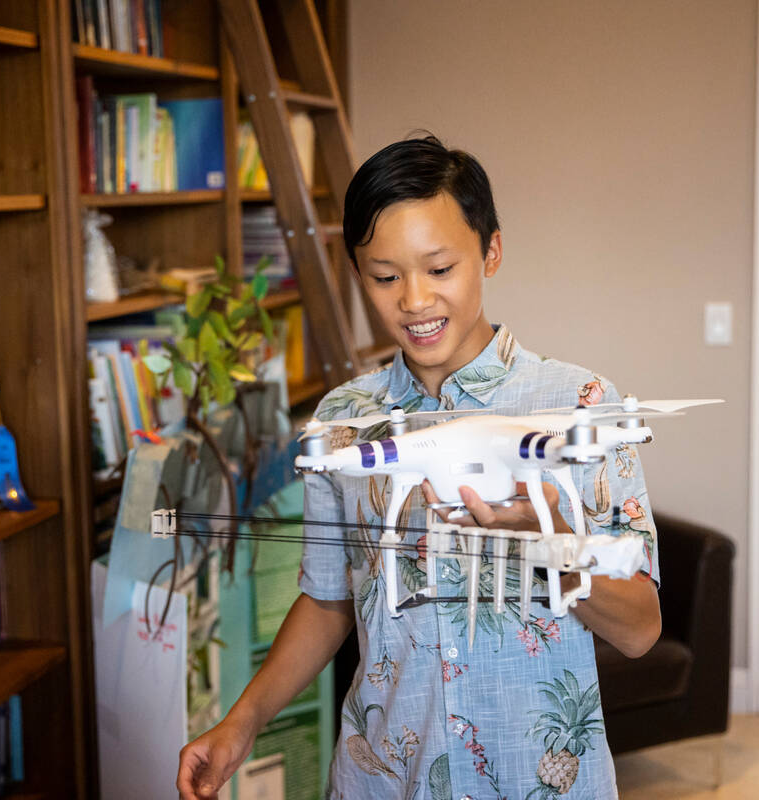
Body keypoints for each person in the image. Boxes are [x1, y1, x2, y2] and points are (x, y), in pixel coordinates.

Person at [177, 135, 661, 800]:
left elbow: (641, 628)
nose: (413, 301)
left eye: (439, 269)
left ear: (490, 251)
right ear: (357, 272)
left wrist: (546, 551)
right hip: (384, 780)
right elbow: (328, 600)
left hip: (538, 784)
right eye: (385, 276)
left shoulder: (581, 407)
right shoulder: (343, 421)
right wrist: (239, 724)